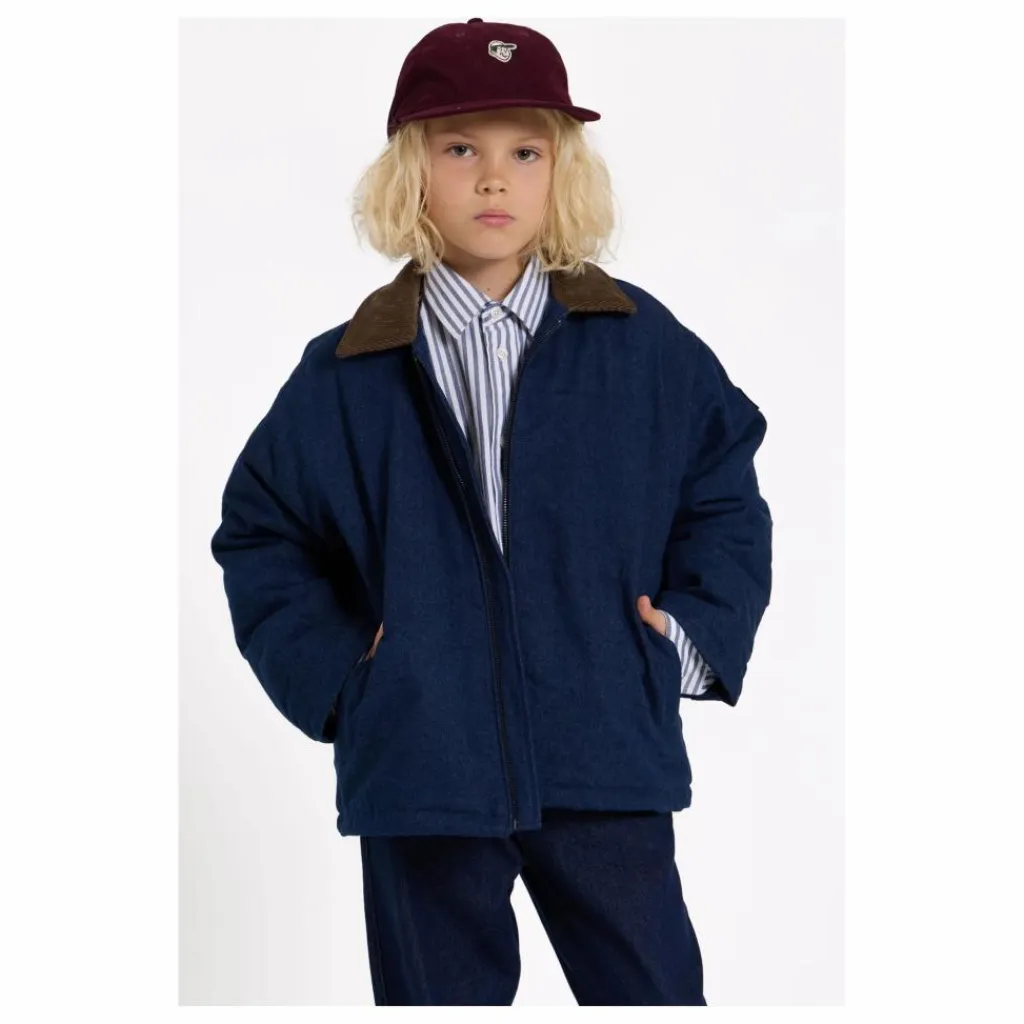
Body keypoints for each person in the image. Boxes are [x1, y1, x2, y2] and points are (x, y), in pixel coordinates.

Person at [210, 17, 773, 1006]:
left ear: (563, 173)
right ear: (410, 174)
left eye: (526, 152)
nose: (493, 180)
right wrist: (347, 678)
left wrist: (682, 642)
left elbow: (720, 488)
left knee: (652, 993)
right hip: (422, 768)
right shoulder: (347, 370)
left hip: (604, 752)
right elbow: (262, 533)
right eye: (460, 149)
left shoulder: (637, 345)